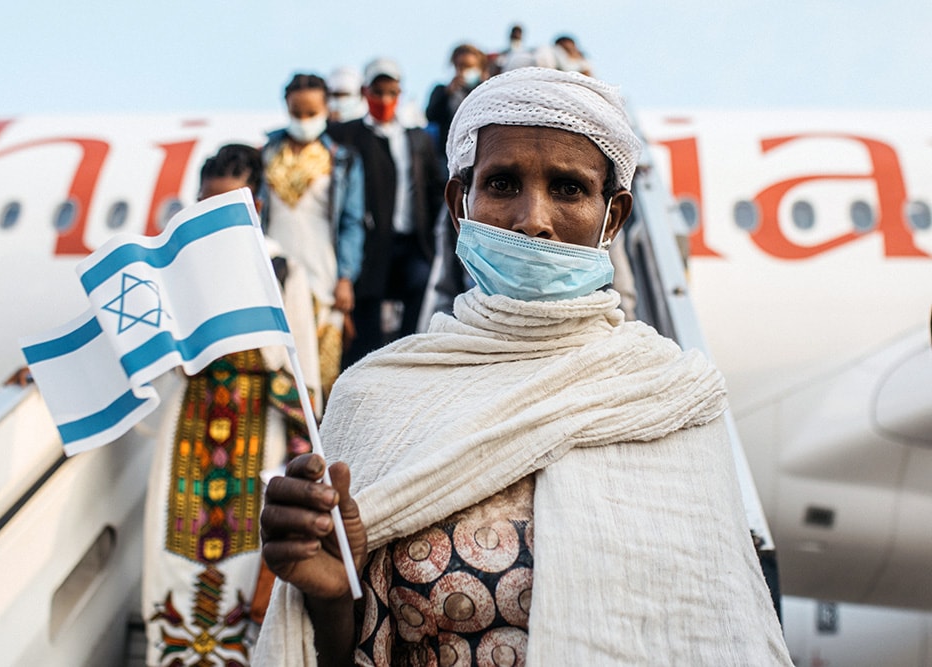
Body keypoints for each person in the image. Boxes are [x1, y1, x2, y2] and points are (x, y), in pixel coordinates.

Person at [253, 68, 793, 666]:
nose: (532, 218)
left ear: (612, 218)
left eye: (568, 188)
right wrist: (333, 599)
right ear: (461, 203)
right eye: (503, 183)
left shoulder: (671, 398)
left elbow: (718, 636)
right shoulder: (374, 397)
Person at [142, 144, 322, 667]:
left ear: (254, 207)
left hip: (259, 420)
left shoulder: (281, 268)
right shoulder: (174, 265)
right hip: (189, 417)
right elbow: (145, 344)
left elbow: (301, 365)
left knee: (247, 559)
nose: (209, 218)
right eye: (203, 204)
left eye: (222, 205)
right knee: (167, 551)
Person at [327, 57, 445, 368]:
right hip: (369, 243)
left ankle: (405, 365)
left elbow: (434, 190)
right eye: (378, 92)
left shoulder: (417, 139)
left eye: (391, 92)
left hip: (410, 241)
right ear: (366, 92)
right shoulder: (349, 134)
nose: (385, 100)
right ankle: (363, 374)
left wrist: (434, 240)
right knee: (366, 317)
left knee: (420, 292)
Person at [260, 73, 365, 398]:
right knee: (277, 369)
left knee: (322, 377)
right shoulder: (265, 155)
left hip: (323, 276)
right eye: (296, 113)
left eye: (311, 113)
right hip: (274, 274)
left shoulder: (343, 160)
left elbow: (352, 223)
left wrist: (346, 276)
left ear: (325, 109)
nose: (304, 120)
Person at [425, 43, 489, 167]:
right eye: (460, 66)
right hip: (448, 157)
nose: (464, 71)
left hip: (480, 155)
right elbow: (431, 115)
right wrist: (447, 93)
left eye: (469, 66)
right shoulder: (441, 90)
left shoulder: (485, 91)